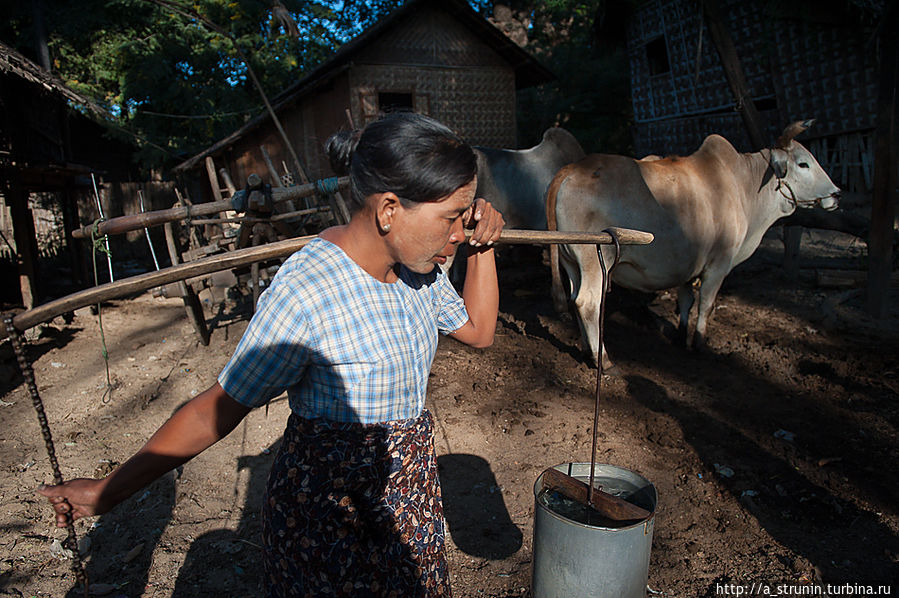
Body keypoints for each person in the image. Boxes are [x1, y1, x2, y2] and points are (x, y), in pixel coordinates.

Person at [37, 112, 503, 597]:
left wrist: (484, 246)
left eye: (464, 217)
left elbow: (479, 331)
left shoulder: (421, 271)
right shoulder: (310, 290)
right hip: (328, 517)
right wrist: (110, 490)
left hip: (408, 500)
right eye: (451, 218)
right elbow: (218, 407)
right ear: (389, 209)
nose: (458, 233)